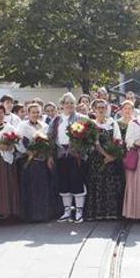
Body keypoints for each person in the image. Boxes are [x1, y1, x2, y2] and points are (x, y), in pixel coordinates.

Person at [48, 93, 87, 222]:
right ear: (62, 105)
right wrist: (50, 155)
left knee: (77, 182)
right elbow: (50, 138)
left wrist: (80, 149)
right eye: (67, 103)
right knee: (63, 183)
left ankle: (79, 211)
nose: (69, 105)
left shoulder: (81, 118)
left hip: (75, 155)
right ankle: (67, 211)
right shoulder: (56, 120)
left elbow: (89, 137)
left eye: (72, 103)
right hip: (60, 154)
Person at [85, 99, 125, 221]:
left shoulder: (113, 123)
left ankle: (111, 212)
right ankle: (97, 213)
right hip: (96, 159)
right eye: (99, 107)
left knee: (110, 184)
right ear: (94, 109)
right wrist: (105, 154)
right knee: (96, 184)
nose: (101, 110)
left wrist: (112, 155)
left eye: (103, 107)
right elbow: (93, 143)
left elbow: (118, 140)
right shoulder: (91, 124)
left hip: (111, 159)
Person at [17, 103, 57, 222]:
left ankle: (43, 215)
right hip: (28, 161)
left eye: (37, 112)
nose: (35, 114)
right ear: (28, 113)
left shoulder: (44, 126)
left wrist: (49, 156)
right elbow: (18, 142)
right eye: (33, 112)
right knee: (30, 188)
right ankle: (30, 216)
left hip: (42, 161)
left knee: (42, 188)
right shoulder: (22, 126)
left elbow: (49, 143)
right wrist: (28, 152)